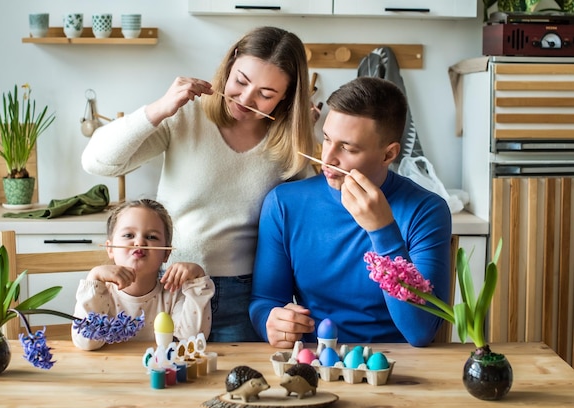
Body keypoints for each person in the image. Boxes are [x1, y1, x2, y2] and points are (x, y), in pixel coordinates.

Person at [81, 26, 315, 342]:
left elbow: (313, 216)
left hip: (245, 297)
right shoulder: (186, 115)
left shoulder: (289, 142)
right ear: (229, 65)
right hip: (170, 289)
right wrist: (158, 109)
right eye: (241, 81)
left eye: (266, 94)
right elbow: (97, 162)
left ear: (287, 96)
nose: (246, 99)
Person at [249, 76, 452, 349]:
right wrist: (270, 322)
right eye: (326, 139)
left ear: (388, 155)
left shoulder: (426, 211)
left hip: (396, 366)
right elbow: (266, 301)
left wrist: (382, 230)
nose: (327, 158)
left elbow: (420, 331)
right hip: (316, 362)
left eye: (347, 147)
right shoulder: (284, 203)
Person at [72, 199, 215, 351]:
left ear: (166, 253)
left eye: (152, 237)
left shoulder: (174, 293)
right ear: (110, 248)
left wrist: (197, 280)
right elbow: (86, 342)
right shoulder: (100, 293)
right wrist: (94, 278)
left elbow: (191, 341)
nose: (139, 242)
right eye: (128, 235)